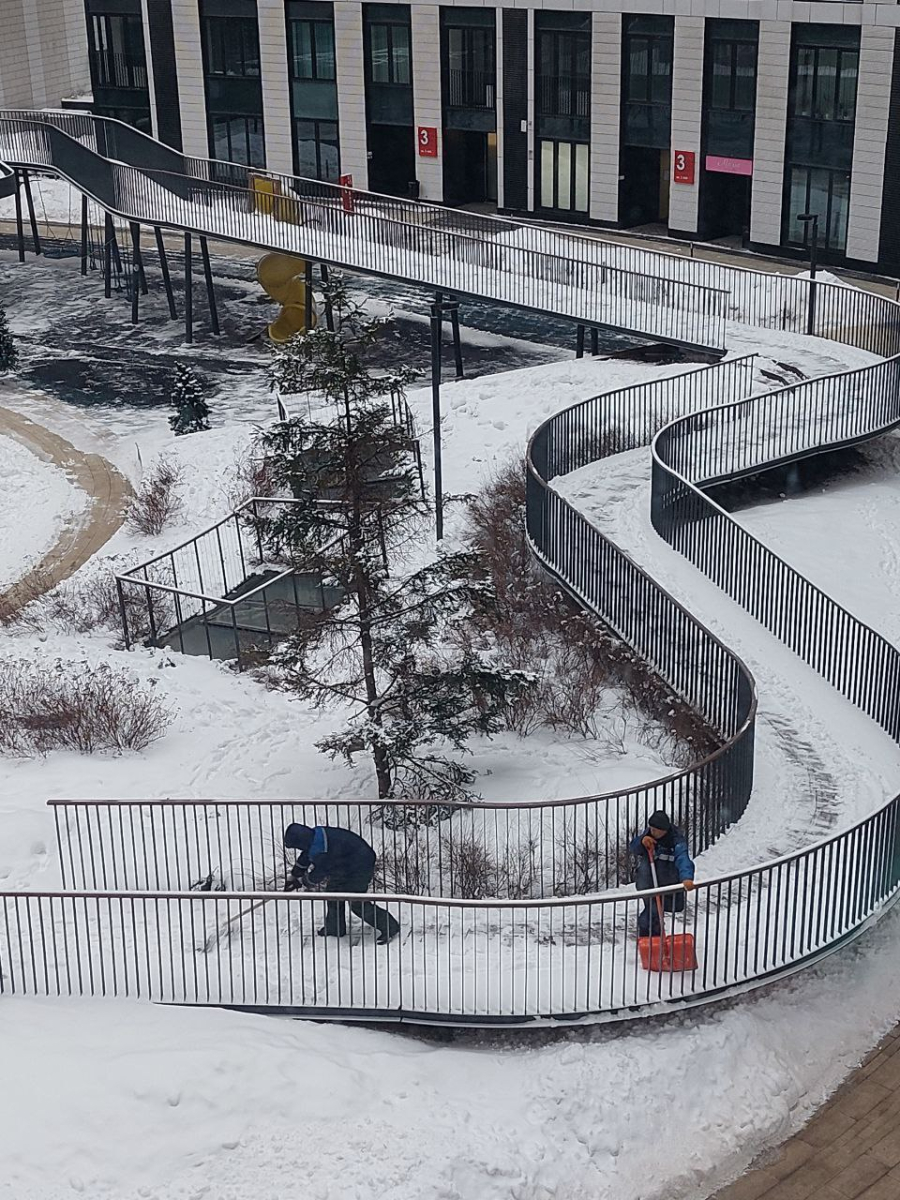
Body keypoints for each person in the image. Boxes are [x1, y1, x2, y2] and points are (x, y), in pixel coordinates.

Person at [283, 823, 400, 945]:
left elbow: (318, 874)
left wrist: (302, 882)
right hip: (344, 865)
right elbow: (306, 856)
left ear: (301, 842)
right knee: (333, 894)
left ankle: (390, 927)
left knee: (356, 902)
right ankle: (335, 928)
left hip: (361, 865)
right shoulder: (315, 836)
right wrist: (294, 875)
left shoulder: (322, 849)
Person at [629, 810, 696, 937]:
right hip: (649, 885)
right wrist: (642, 840)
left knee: (649, 916)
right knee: (651, 915)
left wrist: (687, 877)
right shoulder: (649, 836)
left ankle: (652, 943)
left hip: (668, 887)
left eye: (656, 830)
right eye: (651, 829)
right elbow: (634, 847)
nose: (652, 832)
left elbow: (683, 859)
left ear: (664, 830)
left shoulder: (675, 841)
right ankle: (652, 944)